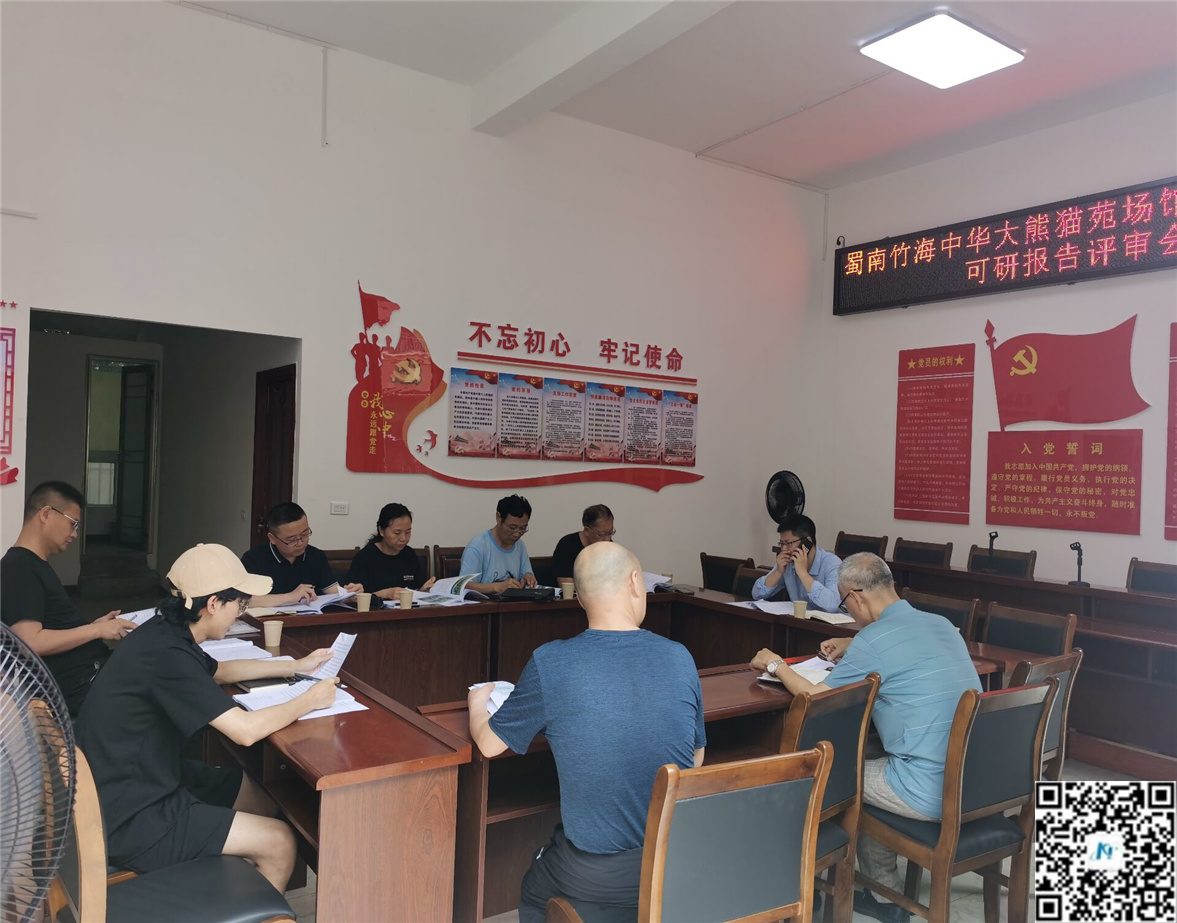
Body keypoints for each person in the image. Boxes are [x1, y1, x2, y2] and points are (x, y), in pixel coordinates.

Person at [75, 543, 339, 891]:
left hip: (138, 776)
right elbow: (244, 731)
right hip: (129, 813)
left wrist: (295, 666)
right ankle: (241, 904)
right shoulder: (168, 654)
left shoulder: (165, 631)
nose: (241, 614)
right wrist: (309, 700)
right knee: (280, 842)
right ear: (213, 604)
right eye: (240, 604)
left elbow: (220, 671)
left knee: (258, 796)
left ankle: (231, 893)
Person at [469, 542, 705, 922]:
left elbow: (488, 744)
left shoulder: (551, 661)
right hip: (677, 860)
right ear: (635, 582)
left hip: (597, 874)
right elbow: (695, 756)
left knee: (534, 890)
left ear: (579, 598)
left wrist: (477, 705)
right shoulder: (680, 656)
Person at [750, 553, 980, 923]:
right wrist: (854, 641)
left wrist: (775, 664)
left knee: (825, 777)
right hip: (974, 779)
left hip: (927, 790)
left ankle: (806, 890)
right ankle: (881, 893)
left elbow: (816, 697)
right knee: (867, 757)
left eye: (845, 604)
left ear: (856, 597)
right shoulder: (941, 624)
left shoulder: (873, 641)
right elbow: (904, 650)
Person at [1, 480, 137, 715]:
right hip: (83, 684)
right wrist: (96, 631)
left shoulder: (33, 565)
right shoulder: (19, 567)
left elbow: (51, 626)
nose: (74, 534)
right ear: (46, 514)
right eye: (72, 523)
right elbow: (29, 642)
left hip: (91, 672)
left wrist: (93, 626)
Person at [242, 501, 363, 605]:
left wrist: (350, 595)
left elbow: (334, 593)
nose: (300, 543)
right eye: (291, 540)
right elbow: (242, 600)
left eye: (305, 534)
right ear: (272, 538)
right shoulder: (254, 559)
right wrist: (290, 597)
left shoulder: (315, 556)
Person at [751, 513, 842, 612]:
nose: (784, 549)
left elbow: (833, 605)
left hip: (828, 621)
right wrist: (778, 572)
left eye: (788, 543)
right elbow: (756, 594)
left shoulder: (832, 564)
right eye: (781, 543)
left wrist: (803, 574)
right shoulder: (788, 562)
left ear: (807, 542)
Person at [347, 502, 437, 599]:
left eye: (407, 532)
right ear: (381, 530)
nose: (403, 538)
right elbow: (354, 598)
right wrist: (385, 594)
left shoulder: (409, 554)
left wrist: (423, 590)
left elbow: (415, 589)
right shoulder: (364, 557)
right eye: (397, 533)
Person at [460, 495, 538, 594]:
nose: (517, 534)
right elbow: (464, 586)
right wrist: (496, 587)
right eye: (512, 528)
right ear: (498, 517)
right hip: (484, 603)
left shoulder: (520, 546)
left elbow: (527, 573)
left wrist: (528, 578)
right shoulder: (477, 546)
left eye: (523, 528)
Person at [551, 504, 615, 580]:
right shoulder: (567, 546)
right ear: (587, 530)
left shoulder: (610, 547)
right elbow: (566, 584)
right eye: (602, 534)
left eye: (611, 533)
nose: (608, 539)